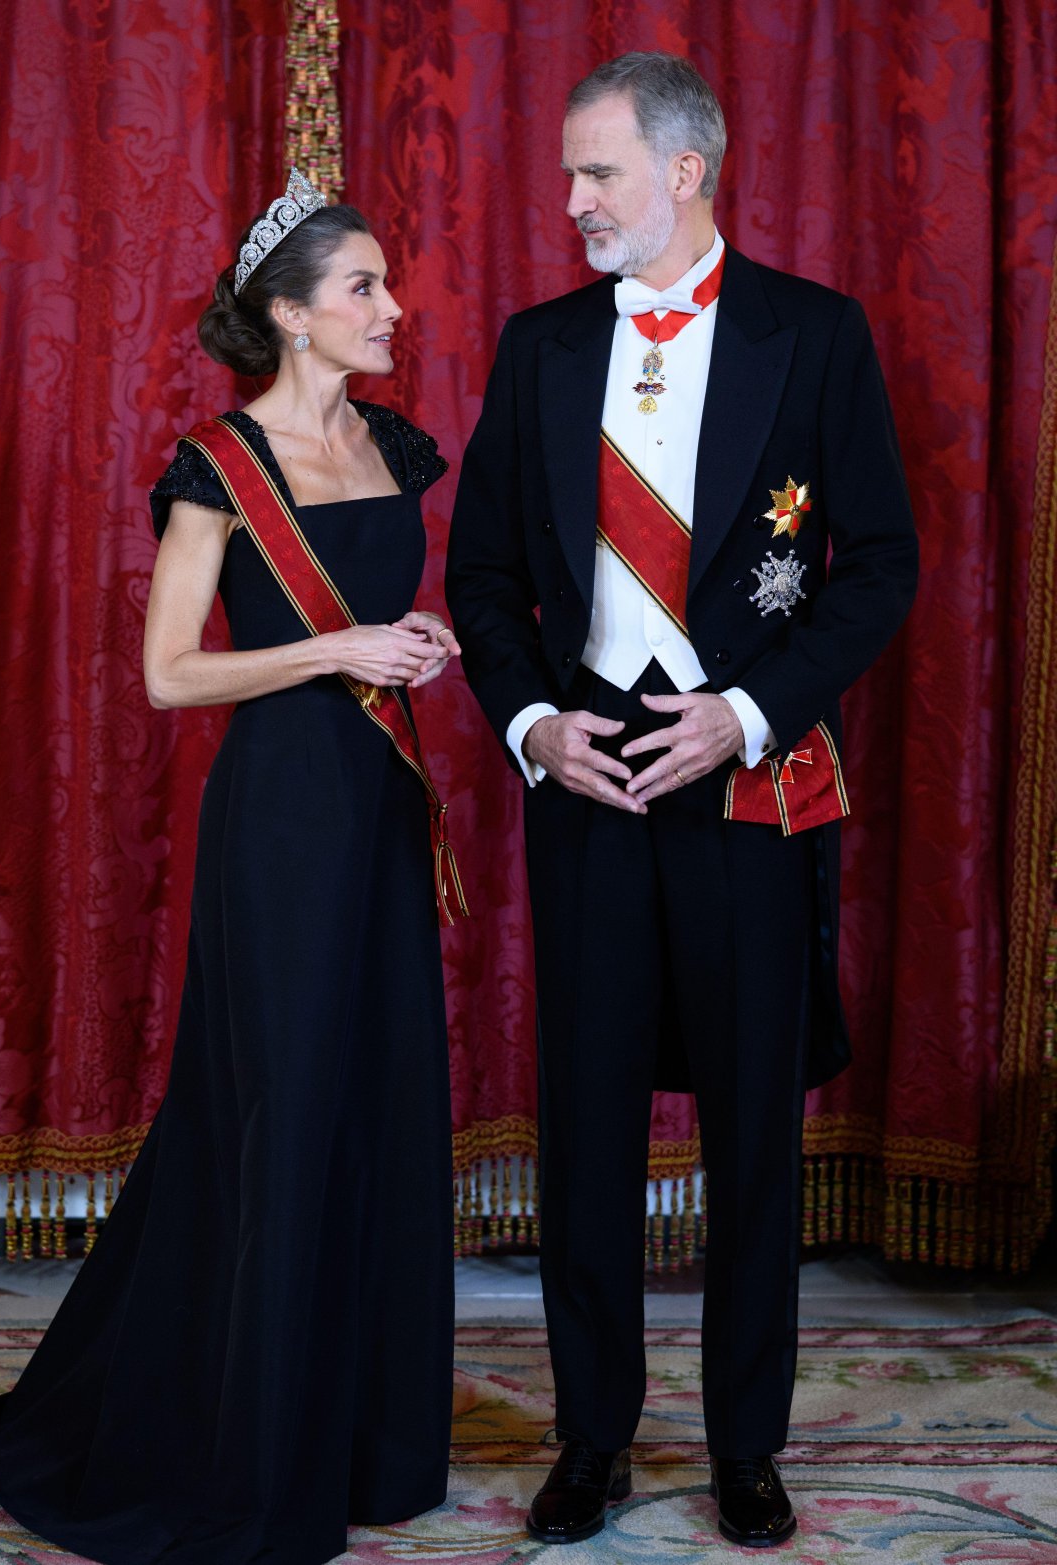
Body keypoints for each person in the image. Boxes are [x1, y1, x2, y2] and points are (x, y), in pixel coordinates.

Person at [446, 52, 917, 1549]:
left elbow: (881, 565)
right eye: (573, 173)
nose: (574, 198)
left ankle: (745, 1447)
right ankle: (591, 1436)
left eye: (599, 172)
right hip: (587, 777)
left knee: (749, 1141)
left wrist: (750, 711)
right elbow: (483, 578)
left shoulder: (817, 336)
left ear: (687, 170)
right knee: (586, 1128)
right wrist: (531, 723)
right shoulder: (536, 347)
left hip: (749, 781)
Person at [0, 171, 461, 1565]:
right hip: (285, 822)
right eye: (361, 286)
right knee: (283, 1110)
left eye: (383, 280)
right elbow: (170, 674)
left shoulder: (397, 448)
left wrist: (412, 641)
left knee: (376, 1095)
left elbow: (375, 615)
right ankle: (252, 1447)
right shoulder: (217, 468)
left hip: (380, 802)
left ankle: (369, 1435)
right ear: (293, 315)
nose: (390, 306)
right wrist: (339, 649)